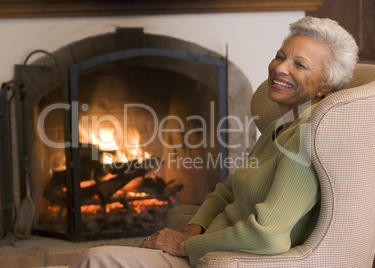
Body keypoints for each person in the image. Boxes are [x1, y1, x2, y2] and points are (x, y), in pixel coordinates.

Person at [69, 16, 359, 268]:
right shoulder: (280, 126)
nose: (280, 68)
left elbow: (268, 236)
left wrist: (184, 246)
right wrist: (192, 231)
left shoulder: (307, 137)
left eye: (300, 64)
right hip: (206, 250)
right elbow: (226, 192)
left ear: (326, 86)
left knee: (93, 260)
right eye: (280, 56)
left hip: (227, 260)